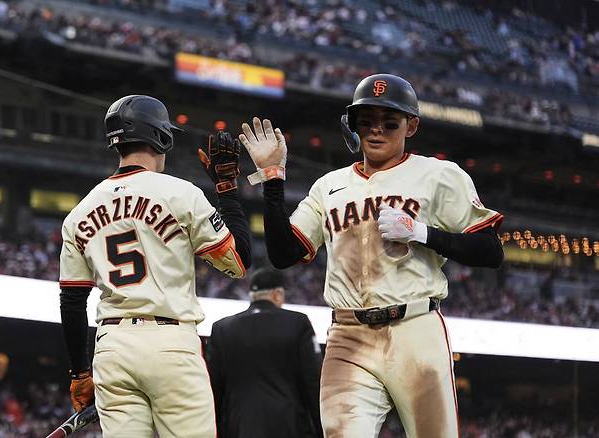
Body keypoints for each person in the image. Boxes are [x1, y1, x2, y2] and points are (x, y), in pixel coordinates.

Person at [238, 74, 504, 437]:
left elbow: (490, 250)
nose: (376, 131)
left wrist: (421, 232)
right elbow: (284, 253)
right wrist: (272, 178)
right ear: (352, 126)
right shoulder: (328, 185)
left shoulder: (439, 174)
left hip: (415, 329)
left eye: (389, 123)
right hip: (348, 334)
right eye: (366, 122)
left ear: (412, 125)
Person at [58, 95, 251, 437]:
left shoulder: (80, 212)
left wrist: (80, 373)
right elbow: (238, 263)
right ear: (162, 138)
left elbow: (72, 302)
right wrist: (226, 189)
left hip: (112, 347)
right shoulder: (181, 193)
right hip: (169, 342)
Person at [207, 267, 323, 438]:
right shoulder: (298, 323)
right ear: (277, 294)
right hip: (289, 425)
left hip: (238, 427)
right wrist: (320, 431)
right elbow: (314, 381)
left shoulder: (221, 328)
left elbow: (214, 388)